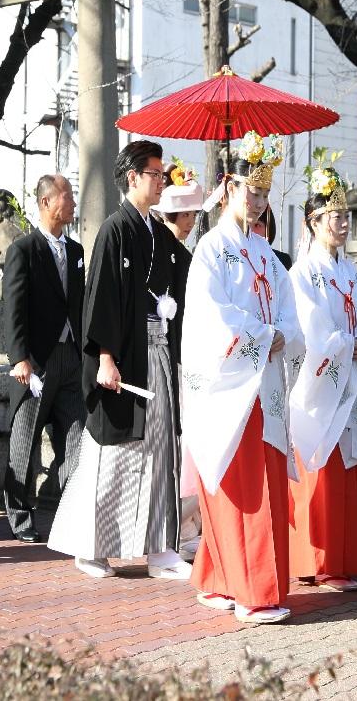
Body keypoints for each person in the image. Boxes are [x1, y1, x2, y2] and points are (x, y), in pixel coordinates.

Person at [47, 141, 190, 581]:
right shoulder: (115, 229)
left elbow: (189, 267)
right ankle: (89, 546)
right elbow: (102, 297)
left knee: (163, 448)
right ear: (133, 177)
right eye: (155, 173)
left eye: (163, 174)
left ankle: (161, 548)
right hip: (124, 357)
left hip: (158, 352)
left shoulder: (158, 233)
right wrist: (105, 358)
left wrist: (216, 205)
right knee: (113, 454)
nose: (161, 180)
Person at [180, 131, 304, 625]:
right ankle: (253, 590)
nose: (256, 201)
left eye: (264, 194)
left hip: (266, 384)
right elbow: (212, 317)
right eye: (250, 191)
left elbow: (290, 314)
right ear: (229, 186)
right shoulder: (211, 250)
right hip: (229, 384)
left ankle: (217, 577)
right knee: (240, 485)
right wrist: (262, 334)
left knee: (260, 481)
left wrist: (281, 334)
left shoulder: (266, 254)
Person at [287, 163, 357, 592]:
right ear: (314, 221)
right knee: (323, 466)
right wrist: (347, 345)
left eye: (346, 217)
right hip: (325, 385)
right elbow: (311, 332)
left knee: (351, 464)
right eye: (336, 217)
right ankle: (321, 560)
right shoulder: (303, 273)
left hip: (351, 379)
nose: (344, 224)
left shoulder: (350, 273)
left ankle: (348, 558)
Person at [3, 174, 84, 542]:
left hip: (72, 358)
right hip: (37, 360)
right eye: (66, 195)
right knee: (25, 443)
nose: (71, 200)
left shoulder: (77, 251)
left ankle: (66, 511)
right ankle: (20, 518)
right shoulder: (24, 249)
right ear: (47, 202)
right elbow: (13, 309)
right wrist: (19, 357)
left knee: (78, 439)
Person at [150, 160, 203, 559]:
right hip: (160, 353)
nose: (192, 220)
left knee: (186, 446)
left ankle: (187, 528)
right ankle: (172, 532)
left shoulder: (185, 254)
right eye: (189, 213)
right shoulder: (155, 248)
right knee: (168, 447)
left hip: (186, 356)